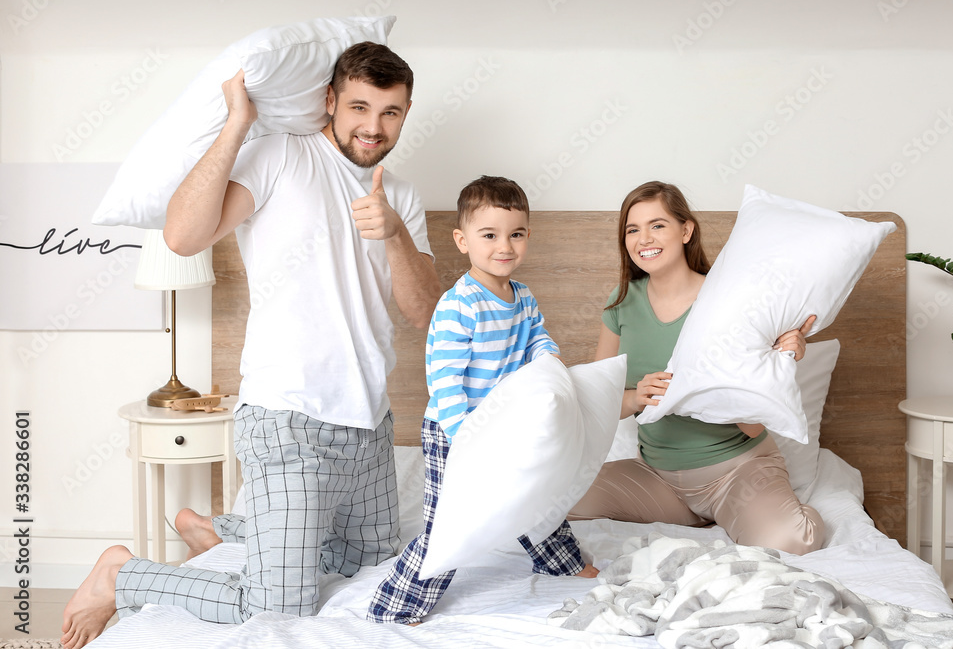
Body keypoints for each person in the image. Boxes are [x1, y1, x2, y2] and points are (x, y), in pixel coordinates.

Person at [61, 41, 441, 649]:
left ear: (407, 111)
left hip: (368, 425)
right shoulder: (281, 157)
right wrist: (238, 123)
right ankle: (120, 575)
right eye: (360, 107)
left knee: (365, 566)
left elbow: (426, 312)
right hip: (288, 419)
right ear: (329, 102)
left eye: (390, 112)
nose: (374, 126)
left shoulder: (402, 195)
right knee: (274, 604)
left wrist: (394, 232)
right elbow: (183, 238)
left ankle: (221, 531)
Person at [367, 176, 598, 625]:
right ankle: (398, 603)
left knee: (537, 492)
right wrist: (465, 437)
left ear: (527, 236)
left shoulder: (523, 298)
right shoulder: (460, 305)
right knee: (451, 522)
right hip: (457, 430)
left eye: (515, 234)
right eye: (489, 235)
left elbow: (538, 341)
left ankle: (560, 561)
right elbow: (446, 381)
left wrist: (549, 363)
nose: (504, 246)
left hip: (508, 424)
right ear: (462, 240)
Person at [567, 181, 825, 556]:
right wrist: (636, 397)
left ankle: (759, 511)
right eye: (632, 229)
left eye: (657, 225)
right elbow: (595, 400)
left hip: (737, 473)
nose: (644, 239)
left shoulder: (728, 301)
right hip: (657, 479)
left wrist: (778, 359)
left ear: (685, 230)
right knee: (557, 499)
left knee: (790, 542)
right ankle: (700, 516)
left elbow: (752, 422)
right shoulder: (621, 302)